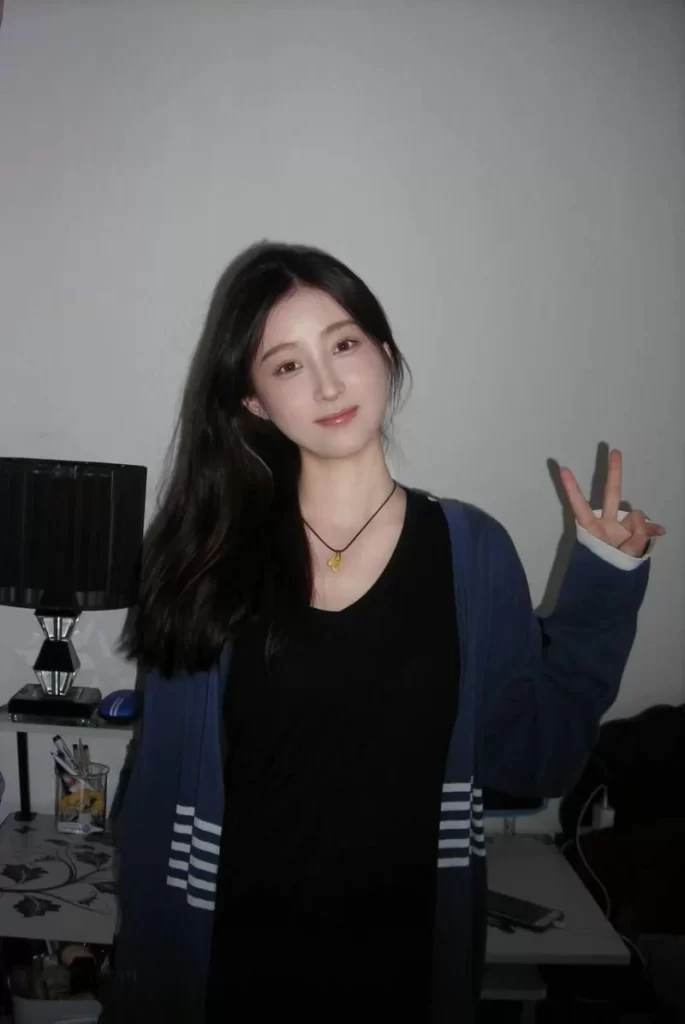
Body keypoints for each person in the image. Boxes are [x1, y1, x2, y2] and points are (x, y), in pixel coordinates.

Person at [101, 241, 664, 1024]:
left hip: (403, 974)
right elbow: (158, 798)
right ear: (254, 401)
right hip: (229, 973)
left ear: (384, 355)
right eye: (287, 364)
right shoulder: (205, 558)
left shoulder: (470, 552)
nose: (327, 384)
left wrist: (602, 584)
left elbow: (532, 759)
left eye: (342, 345)